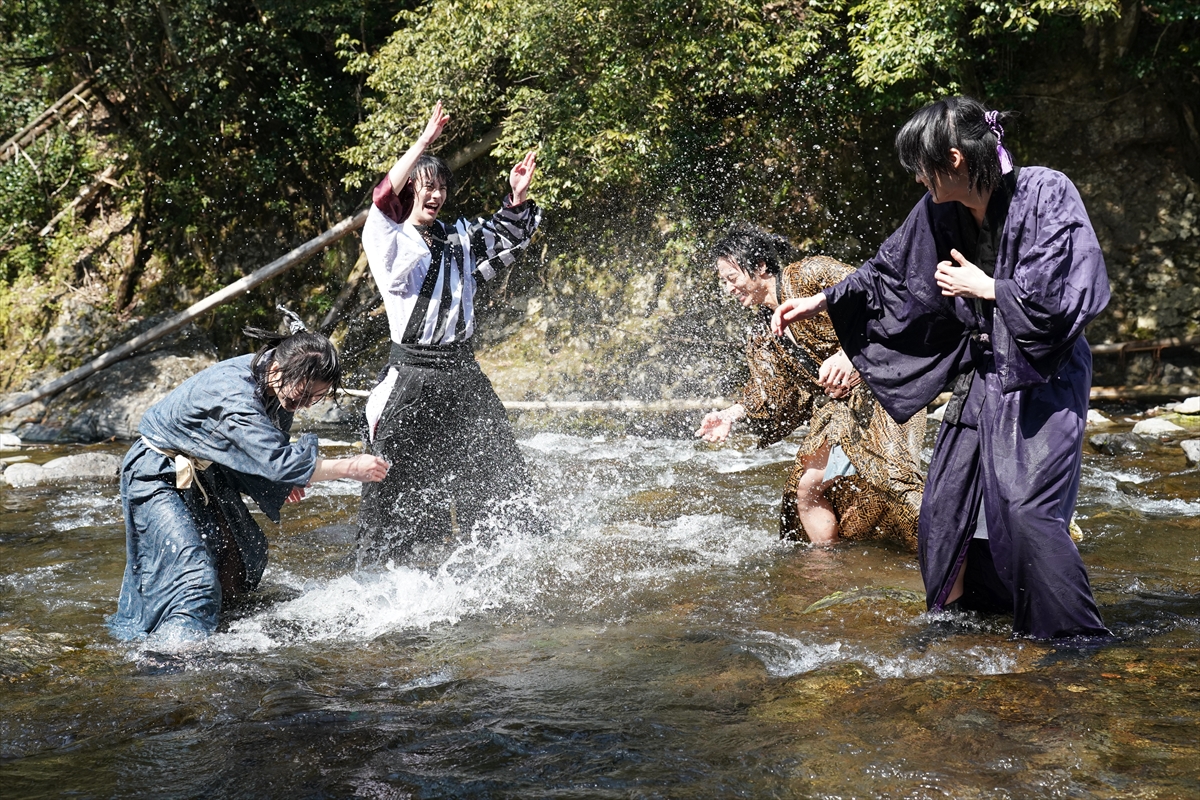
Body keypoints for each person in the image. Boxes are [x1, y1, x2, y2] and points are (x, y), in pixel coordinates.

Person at [772, 97, 1111, 640]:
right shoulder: (939, 210)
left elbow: (1069, 290)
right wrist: (826, 302)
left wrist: (990, 287)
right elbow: (890, 272)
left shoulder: (1047, 191)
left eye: (921, 167)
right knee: (941, 510)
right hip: (985, 371)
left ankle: (1075, 639)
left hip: (1044, 373)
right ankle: (960, 623)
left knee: (1026, 512)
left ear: (954, 159)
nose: (916, 180)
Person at [108, 326, 390, 641]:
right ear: (280, 369)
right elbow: (279, 461)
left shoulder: (274, 382)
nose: (308, 403)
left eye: (318, 397)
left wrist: (281, 478)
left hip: (206, 470)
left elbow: (271, 450)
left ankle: (218, 628)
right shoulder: (236, 393)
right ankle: (169, 656)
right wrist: (350, 467)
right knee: (193, 577)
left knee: (241, 553)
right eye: (306, 393)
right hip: (156, 472)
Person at [357, 101, 544, 561]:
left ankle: (510, 553)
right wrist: (423, 143)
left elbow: (504, 236)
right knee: (392, 474)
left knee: (498, 465)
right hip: (412, 375)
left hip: (463, 373)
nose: (435, 194)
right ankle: (382, 567)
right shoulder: (388, 237)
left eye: (441, 186)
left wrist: (516, 198)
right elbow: (382, 197)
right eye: (426, 186)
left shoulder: (458, 236)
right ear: (410, 193)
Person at [695, 224, 926, 550]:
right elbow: (766, 386)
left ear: (760, 267)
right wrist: (731, 414)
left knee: (892, 480)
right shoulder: (764, 331)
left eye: (732, 279)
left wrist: (850, 356)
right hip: (836, 408)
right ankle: (829, 568)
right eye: (724, 283)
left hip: (884, 385)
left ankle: (955, 557)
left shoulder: (810, 275)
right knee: (802, 493)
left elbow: (885, 296)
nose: (730, 289)